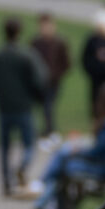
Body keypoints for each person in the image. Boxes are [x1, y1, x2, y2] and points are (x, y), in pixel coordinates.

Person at [33, 81, 105, 209]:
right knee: (64, 156)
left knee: (64, 160)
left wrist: (78, 151)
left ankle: (43, 196)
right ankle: (45, 199)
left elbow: (97, 152)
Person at [0, 17, 46, 196]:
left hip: (3, 107)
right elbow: (39, 80)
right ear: (19, 32)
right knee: (29, 143)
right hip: (24, 106)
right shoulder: (27, 55)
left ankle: (6, 183)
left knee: (5, 147)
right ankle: (22, 167)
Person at [29, 12, 70, 141]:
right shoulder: (35, 43)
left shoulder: (59, 43)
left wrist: (56, 75)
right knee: (37, 107)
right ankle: (38, 131)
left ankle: (49, 131)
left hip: (53, 82)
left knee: (48, 107)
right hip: (37, 82)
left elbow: (66, 63)